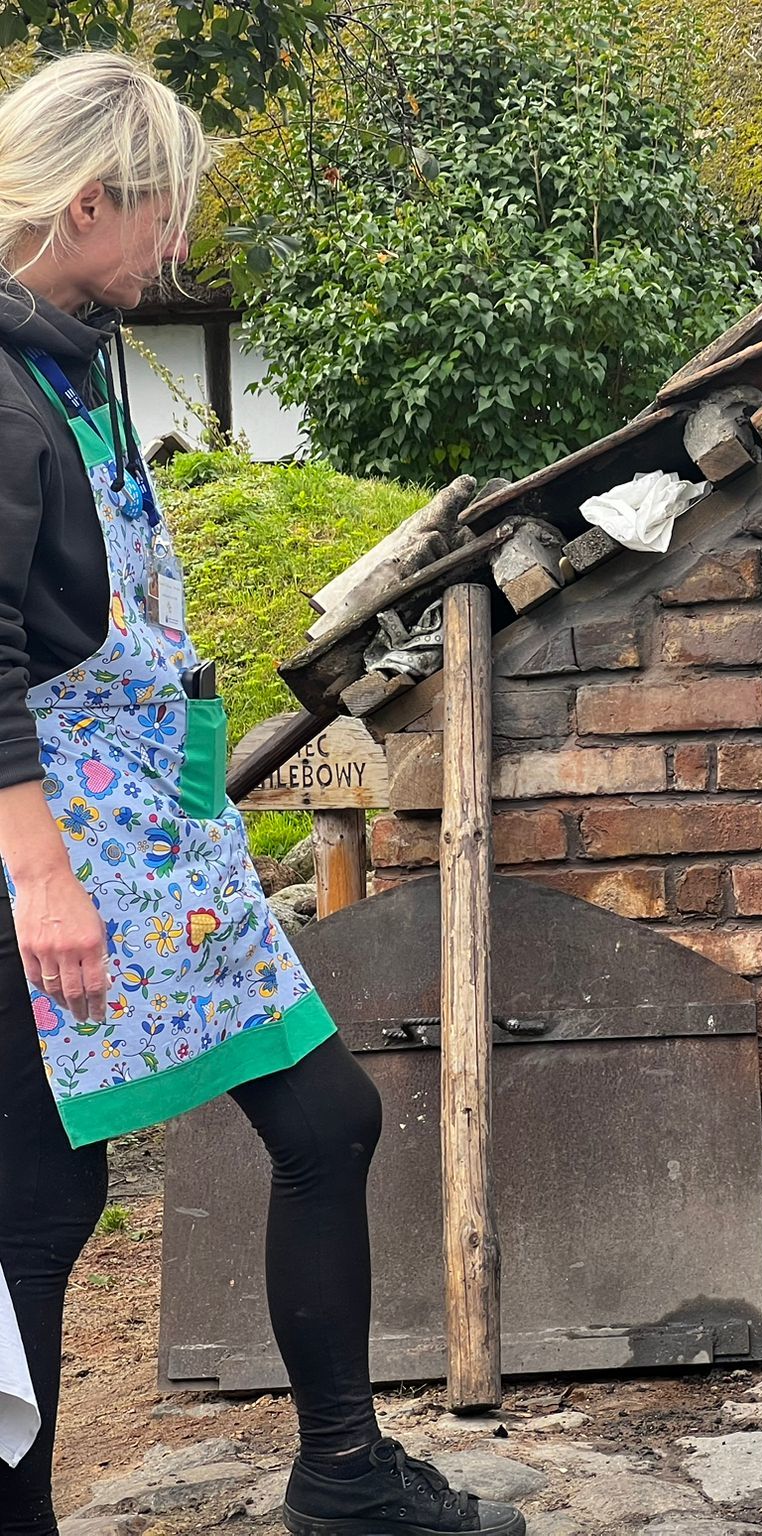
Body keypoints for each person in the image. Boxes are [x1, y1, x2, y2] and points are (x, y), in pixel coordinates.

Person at [0, 52, 524, 1536]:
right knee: (38, 1209)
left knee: (325, 1116)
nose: (180, 244)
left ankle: (344, 1475)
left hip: (152, 841)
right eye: (164, 211)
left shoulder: (70, 347)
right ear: (89, 199)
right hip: (52, 858)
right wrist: (37, 879)